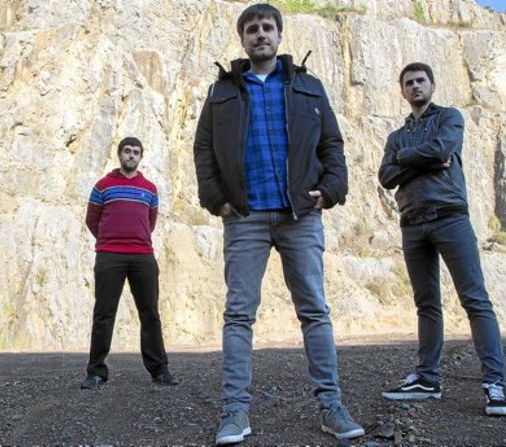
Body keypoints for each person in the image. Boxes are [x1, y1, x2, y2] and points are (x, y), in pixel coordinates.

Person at [193, 4, 364, 443]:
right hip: (244, 217)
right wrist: (216, 200)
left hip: (299, 216)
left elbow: (332, 144)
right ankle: (235, 412)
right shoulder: (221, 92)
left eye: (267, 27)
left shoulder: (308, 86)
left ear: (279, 35)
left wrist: (331, 189)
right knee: (238, 315)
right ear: (243, 39)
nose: (260, 34)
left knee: (314, 311)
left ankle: (332, 406)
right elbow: (204, 149)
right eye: (252, 29)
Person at [378, 62, 506, 416]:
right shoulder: (396, 137)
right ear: (402, 91)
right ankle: (427, 379)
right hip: (412, 223)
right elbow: (386, 177)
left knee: (475, 300)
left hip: (449, 217)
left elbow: (442, 151)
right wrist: (420, 159)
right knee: (426, 304)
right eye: (409, 82)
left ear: (433, 85)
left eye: (421, 80)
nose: (415, 86)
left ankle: (496, 384)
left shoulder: (449, 117)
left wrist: (406, 160)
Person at [81, 137, 178, 389]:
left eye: (136, 152)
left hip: (142, 256)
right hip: (109, 255)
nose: (131, 155)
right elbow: (92, 219)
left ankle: (159, 370)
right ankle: (96, 372)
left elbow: (150, 222)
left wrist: (135, 239)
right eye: (127, 151)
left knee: (150, 313)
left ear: (141, 157)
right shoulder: (103, 186)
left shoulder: (150, 189)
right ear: (119, 154)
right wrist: (108, 239)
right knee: (104, 314)